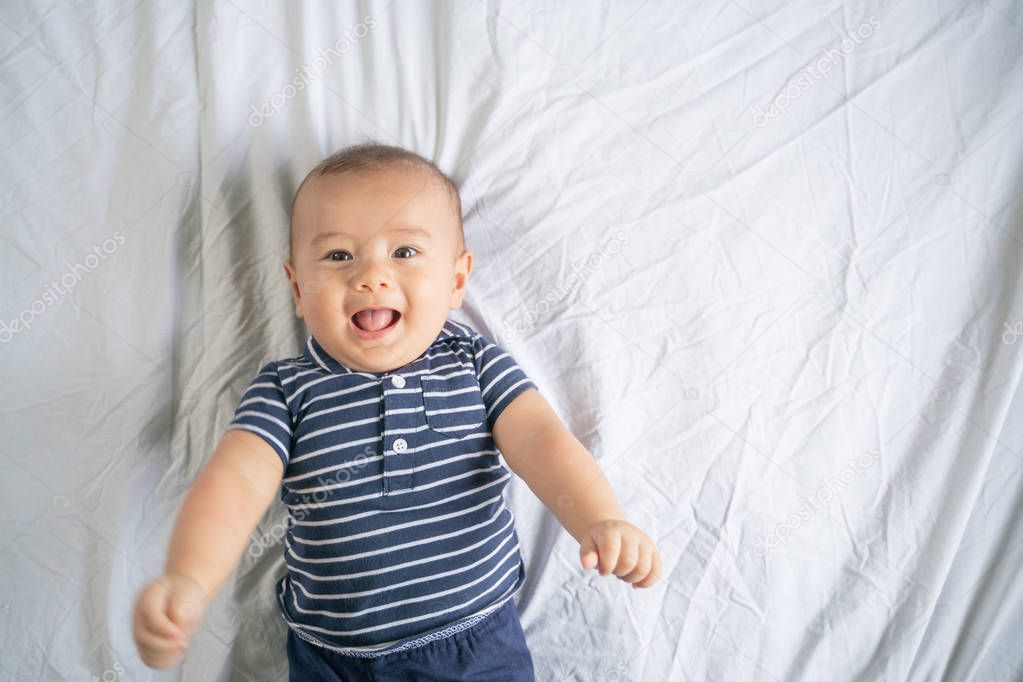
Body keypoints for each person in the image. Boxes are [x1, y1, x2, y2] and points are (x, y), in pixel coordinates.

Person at [132, 142, 662, 680]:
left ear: (457, 280)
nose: (371, 276)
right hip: (333, 658)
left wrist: (598, 517)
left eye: (404, 252)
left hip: (474, 644)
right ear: (297, 288)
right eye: (339, 255)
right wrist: (188, 580)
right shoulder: (287, 390)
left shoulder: (475, 366)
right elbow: (235, 483)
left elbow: (542, 441)